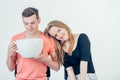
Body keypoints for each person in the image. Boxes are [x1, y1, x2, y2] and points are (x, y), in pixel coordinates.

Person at [6, 7, 63, 80]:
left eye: (32, 23)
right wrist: (9, 54)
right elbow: (10, 68)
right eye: (26, 23)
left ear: (39, 20)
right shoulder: (16, 39)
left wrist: (47, 60)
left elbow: (57, 67)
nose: (29, 27)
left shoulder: (48, 39)